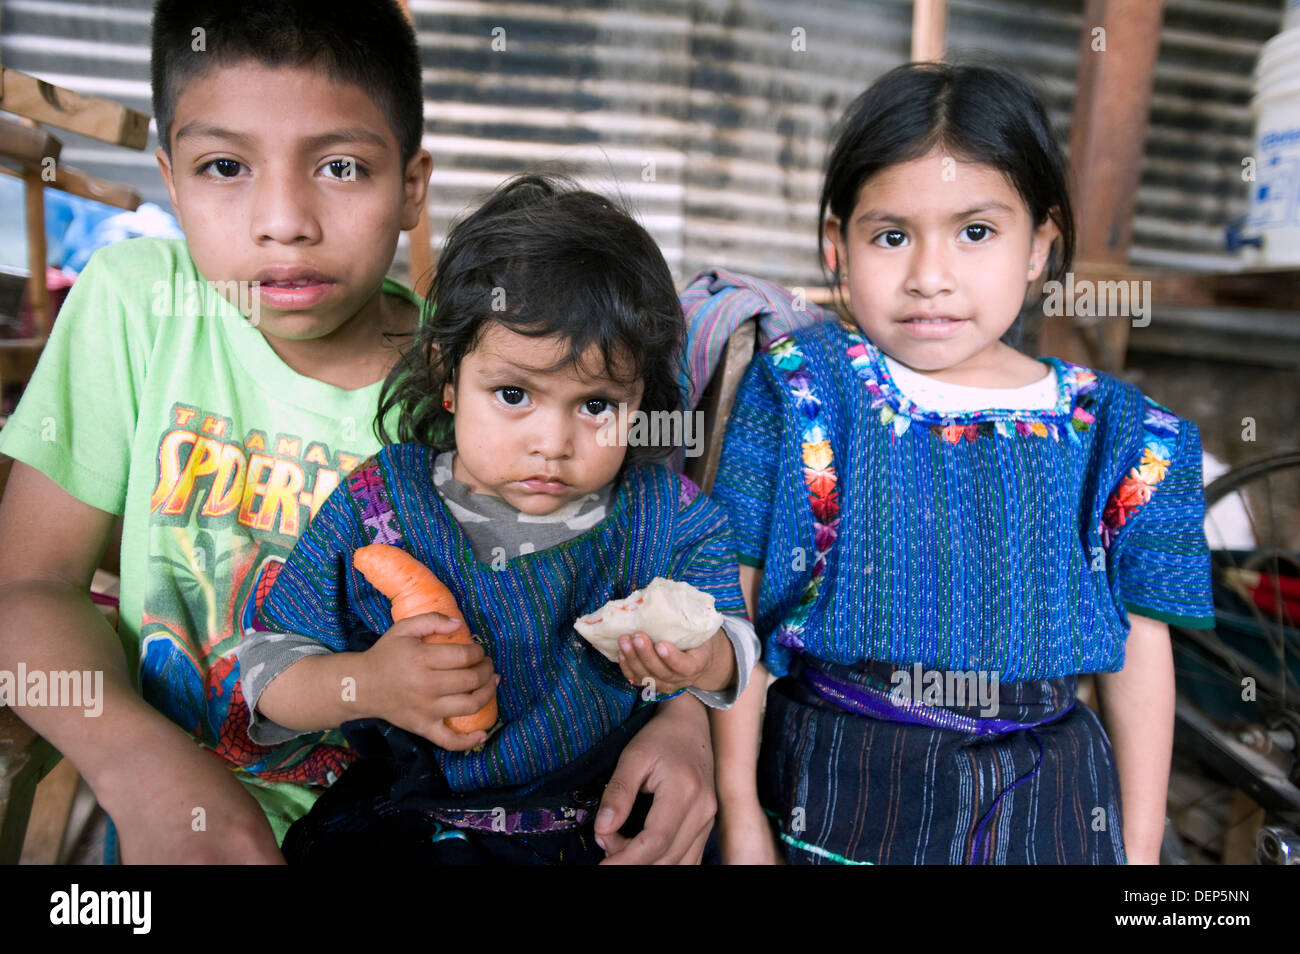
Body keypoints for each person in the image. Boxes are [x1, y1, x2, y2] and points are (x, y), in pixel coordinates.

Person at [0, 0, 719, 865]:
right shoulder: (139, 306)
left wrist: (688, 721)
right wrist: (139, 763)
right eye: (224, 165)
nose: (284, 221)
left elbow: (613, 580)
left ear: (412, 186)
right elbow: (26, 589)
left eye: (340, 167)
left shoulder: (500, 385)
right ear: (168, 173)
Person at [709, 62, 1214, 865]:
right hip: (840, 792)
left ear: (1039, 248)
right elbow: (730, 598)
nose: (929, 278)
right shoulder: (808, 389)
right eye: (892, 235)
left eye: (976, 232)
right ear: (837, 247)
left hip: (1047, 803)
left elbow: (1140, 654)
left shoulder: (1124, 437)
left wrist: (1141, 854)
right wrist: (737, 812)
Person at [244, 174, 759, 864]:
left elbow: (733, 643)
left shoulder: (666, 518)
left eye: (597, 405)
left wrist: (701, 656)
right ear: (449, 376)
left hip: (592, 828)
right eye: (514, 393)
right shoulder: (379, 504)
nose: (552, 440)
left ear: (642, 401)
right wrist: (366, 684)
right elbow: (268, 674)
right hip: (409, 827)